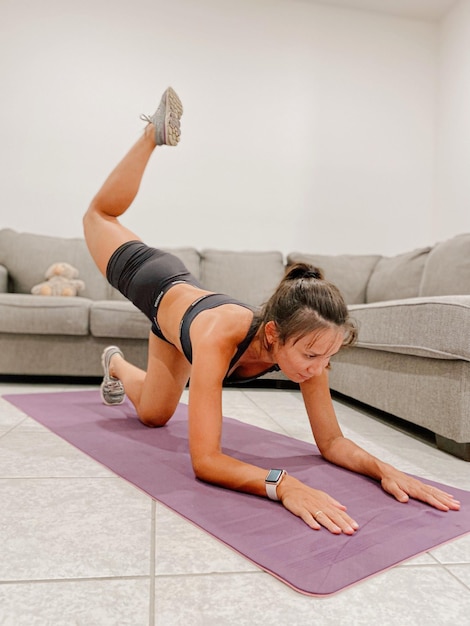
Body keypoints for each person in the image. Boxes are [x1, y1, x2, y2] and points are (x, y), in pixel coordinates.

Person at [83, 87, 460, 535]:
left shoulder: (308, 346)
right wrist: (282, 484)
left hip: (175, 327)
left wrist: (385, 470)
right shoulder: (219, 339)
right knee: (98, 215)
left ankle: (115, 363)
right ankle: (151, 132)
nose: (319, 368)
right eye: (312, 356)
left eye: (327, 358)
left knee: (152, 416)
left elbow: (332, 442)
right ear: (273, 335)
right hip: (153, 280)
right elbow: (205, 461)